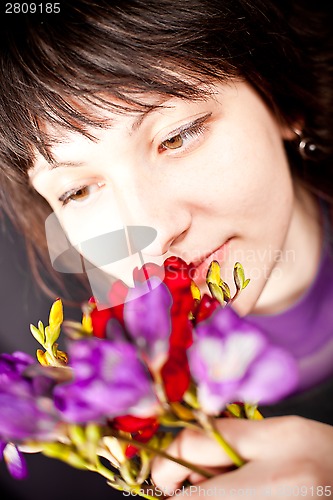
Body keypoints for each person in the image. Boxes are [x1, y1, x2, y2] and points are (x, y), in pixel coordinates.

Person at [0, 0, 333, 496]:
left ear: (284, 102)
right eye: (78, 191)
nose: (152, 230)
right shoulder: (65, 394)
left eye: (177, 138)